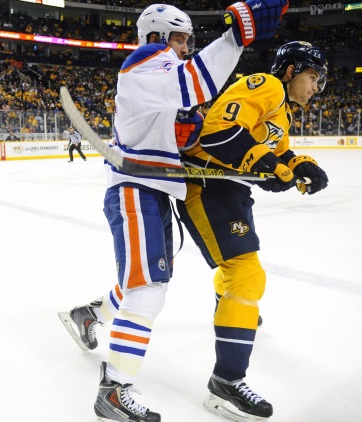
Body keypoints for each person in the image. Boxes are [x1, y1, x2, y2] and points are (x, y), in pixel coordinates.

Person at [58, 2, 289, 421]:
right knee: (148, 290)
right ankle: (114, 389)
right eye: (179, 39)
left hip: (153, 190)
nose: (185, 47)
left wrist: (258, 165)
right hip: (133, 188)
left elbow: (189, 134)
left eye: (186, 41)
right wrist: (236, 37)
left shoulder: (161, 80)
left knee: (147, 281)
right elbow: (195, 82)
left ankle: (88, 314)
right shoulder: (145, 63)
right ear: (157, 36)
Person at [175, 41, 330, 420]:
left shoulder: (284, 113)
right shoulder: (268, 85)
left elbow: (276, 153)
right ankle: (226, 381)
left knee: (243, 270)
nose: (316, 88)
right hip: (207, 185)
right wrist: (268, 166)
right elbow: (219, 131)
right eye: (313, 77)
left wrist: (301, 164)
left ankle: (231, 312)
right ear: (291, 71)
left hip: (230, 189)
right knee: (246, 275)